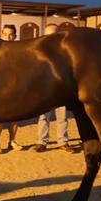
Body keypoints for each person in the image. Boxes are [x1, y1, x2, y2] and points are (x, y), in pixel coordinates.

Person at [32, 24, 74, 153]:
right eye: (49, 34)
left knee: (62, 117)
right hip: (45, 90)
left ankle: (63, 141)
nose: (52, 37)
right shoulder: (38, 51)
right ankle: (42, 142)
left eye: (54, 34)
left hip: (61, 90)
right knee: (43, 117)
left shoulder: (65, 51)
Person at [0, 25, 22, 154]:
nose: (8, 36)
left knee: (14, 117)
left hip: (15, 88)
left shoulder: (20, 51)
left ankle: (12, 141)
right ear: (1, 34)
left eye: (11, 34)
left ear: (15, 36)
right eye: (5, 34)